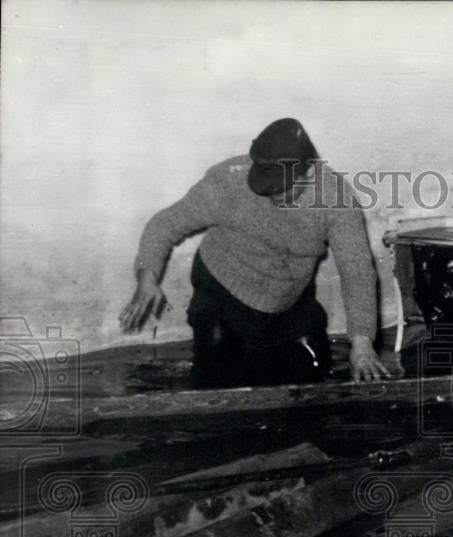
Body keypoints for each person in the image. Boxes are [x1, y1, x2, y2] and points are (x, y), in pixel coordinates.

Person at [119, 117, 390, 386]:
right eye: (264, 184)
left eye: (282, 188)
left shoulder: (335, 198)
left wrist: (362, 342)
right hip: (222, 292)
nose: (272, 195)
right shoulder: (228, 181)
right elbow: (164, 224)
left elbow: (357, 271)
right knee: (216, 388)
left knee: (315, 384)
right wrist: (147, 278)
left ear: (308, 173)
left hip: (290, 301)